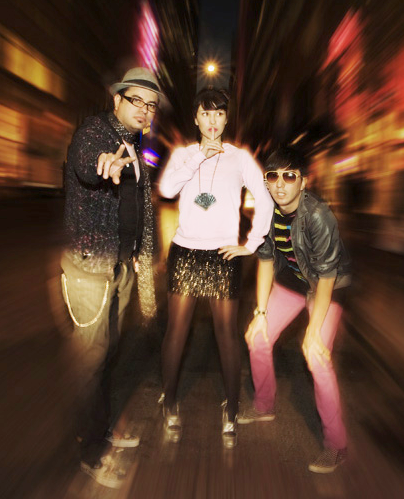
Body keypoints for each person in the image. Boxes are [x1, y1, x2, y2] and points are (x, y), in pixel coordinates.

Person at [158, 87, 274, 449]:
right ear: (196, 118)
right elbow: (166, 189)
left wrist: (250, 244)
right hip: (185, 253)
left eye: (219, 113)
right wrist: (198, 157)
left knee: (226, 334)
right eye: (205, 113)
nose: (212, 120)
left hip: (223, 256)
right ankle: (170, 400)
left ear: (226, 119)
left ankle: (232, 408)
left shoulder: (240, 159)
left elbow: (266, 198)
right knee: (176, 331)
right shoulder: (183, 155)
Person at [62, 67, 160, 488]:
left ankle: (101, 428)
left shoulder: (134, 145)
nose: (144, 110)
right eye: (136, 100)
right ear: (116, 99)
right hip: (90, 267)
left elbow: (140, 207)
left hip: (119, 267)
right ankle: (90, 451)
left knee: (107, 354)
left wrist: (139, 253)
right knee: (91, 360)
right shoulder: (94, 133)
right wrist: (103, 164)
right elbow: (88, 164)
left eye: (151, 105)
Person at [239, 146, 351, 473]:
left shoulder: (317, 214)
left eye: (290, 176)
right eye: (273, 176)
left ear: (303, 182)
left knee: (316, 355)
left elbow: (327, 276)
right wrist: (260, 314)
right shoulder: (266, 210)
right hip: (292, 280)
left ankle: (336, 444)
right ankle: (264, 405)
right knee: (257, 337)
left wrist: (313, 332)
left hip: (327, 285)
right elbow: (264, 261)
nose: (280, 184)